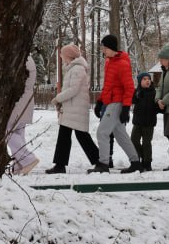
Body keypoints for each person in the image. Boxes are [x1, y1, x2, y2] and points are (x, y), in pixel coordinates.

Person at [91, 34, 140, 173]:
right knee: (120, 134)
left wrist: (126, 107)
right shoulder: (109, 62)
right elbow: (108, 86)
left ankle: (103, 164)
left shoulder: (122, 64)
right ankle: (135, 162)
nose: (103, 51)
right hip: (111, 102)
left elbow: (129, 88)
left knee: (102, 132)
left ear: (111, 48)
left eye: (104, 48)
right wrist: (100, 101)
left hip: (117, 103)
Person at [46, 44, 99, 173]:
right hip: (72, 109)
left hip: (76, 109)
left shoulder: (77, 69)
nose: (61, 57)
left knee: (81, 136)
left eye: (62, 55)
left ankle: (100, 161)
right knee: (67, 135)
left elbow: (73, 90)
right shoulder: (73, 69)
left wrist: (58, 98)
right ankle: (60, 165)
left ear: (68, 56)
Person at [7, 55, 41, 175]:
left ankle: (28, 159)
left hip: (19, 100)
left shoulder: (22, 58)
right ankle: (19, 164)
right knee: (18, 133)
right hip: (25, 99)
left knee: (7, 132)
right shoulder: (28, 58)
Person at [129, 71, 159, 171]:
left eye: (148, 79)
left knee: (146, 143)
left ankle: (147, 162)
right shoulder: (137, 91)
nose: (147, 81)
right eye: (144, 79)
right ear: (139, 81)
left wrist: (160, 106)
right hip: (137, 122)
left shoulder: (154, 92)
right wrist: (136, 96)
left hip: (149, 122)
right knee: (134, 140)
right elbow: (132, 100)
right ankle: (137, 160)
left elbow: (157, 106)